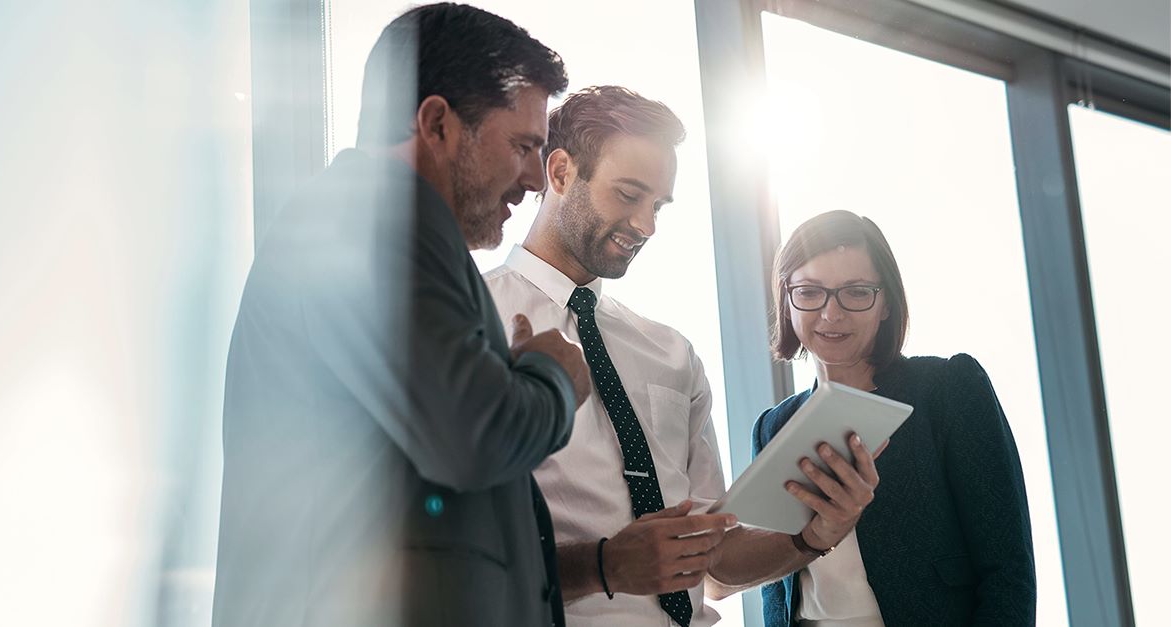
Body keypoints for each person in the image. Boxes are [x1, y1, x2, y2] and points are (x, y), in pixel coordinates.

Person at [212, 4, 591, 627]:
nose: (532, 179)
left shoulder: (377, 227)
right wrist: (552, 379)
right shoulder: (369, 219)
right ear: (437, 123)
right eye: (522, 146)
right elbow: (470, 435)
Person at [483, 86, 879, 627]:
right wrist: (604, 567)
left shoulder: (670, 352)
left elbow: (715, 557)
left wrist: (813, 537)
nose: (647, 226)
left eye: (658, 205)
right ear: (559, 172)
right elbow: (451, 554)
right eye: (628, 195)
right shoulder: (473, 324)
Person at [735, 210, 1036, 626]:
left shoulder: (948, 389)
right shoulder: (772, 427)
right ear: (787, 301)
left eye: (856, 292)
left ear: (886, 304)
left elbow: (1007, 568)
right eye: (810, 291)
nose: (831, 313)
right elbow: (776, 584)